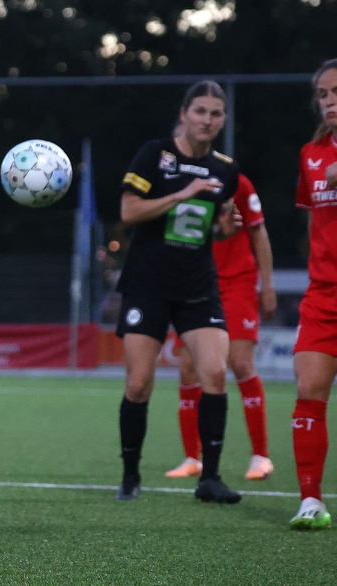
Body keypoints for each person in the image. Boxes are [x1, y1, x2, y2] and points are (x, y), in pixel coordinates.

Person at [114, 80, 242, 503]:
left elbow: (209, 227)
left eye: (216, 113)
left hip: (197, 286)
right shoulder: (156, 155)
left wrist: (224, 231)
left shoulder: (226, 170)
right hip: (147, 285)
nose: (208, 120)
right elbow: (129, 211)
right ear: (185, 113)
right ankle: (131, 476)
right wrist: (182, 192)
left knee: (214, 374)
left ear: (223, 120)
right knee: (138, 384)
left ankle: (210, 479)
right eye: (200, 111)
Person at [165, 173, 276, 481]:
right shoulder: (177, 182)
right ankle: (192, 458)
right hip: (197, 283)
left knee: (240, 362)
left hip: (238, 283)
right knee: (188, 368)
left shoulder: (235, 181)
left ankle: (261, 456)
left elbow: (258, 231)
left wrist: (267, 285)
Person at [288, 58, 337, 530]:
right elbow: (313, 217)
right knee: (309, 391)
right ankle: (311, 501)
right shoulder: (312, 153)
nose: (330, 101)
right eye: (323, 94)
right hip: (324, 294)